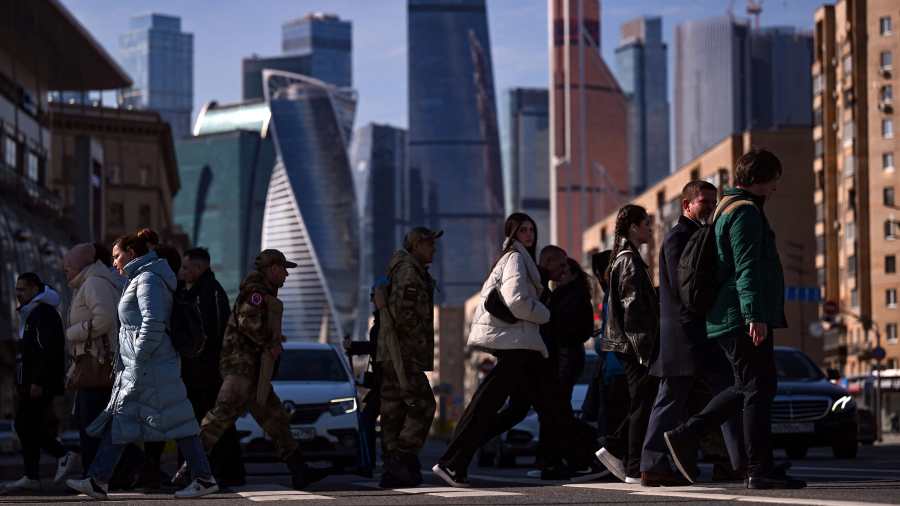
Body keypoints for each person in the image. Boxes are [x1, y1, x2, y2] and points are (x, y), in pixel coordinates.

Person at [663, 149, 806, 489]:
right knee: (757, 387)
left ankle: (754, 462)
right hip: (741, 316)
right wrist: (754, 314)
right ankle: (753, 466)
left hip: (733, 315)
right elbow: (746, 267)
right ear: (758, 181)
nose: (775, 188)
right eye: (773, 181)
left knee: (751, 386)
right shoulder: (744, 213)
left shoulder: (730, 208)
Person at [434, 214, 601, 487]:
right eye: (523, 230)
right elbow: (517, 302)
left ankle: (589, 459)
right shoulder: (515, 258)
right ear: (512, 233)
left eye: (532, 229)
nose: (529, 234)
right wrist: (546, 314)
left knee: (549, 406)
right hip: (515, 347)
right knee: (489, 404)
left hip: (524, 346)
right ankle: (452, 463)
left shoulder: (524, 263)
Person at [65, 233, 218, 500]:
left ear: (132, 253)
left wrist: (138, 358)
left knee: (178, 420)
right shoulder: (139, 278)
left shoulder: (147, 280)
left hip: (151, 366)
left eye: (116, 256)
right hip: (146, 365)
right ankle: (99, 479)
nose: (113, 262)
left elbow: (153, 323)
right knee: (124, 420)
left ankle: (203, 478)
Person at [185, 249, 327, 490]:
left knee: (276, 418)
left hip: (253, 371)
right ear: (272, 269)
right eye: (283, 269)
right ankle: (188, 471)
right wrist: (271, 343)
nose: (285, 275)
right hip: (241, 369)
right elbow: (249, 324)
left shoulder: (263, 292)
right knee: (218, 420)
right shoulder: (255, 294)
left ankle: (299, 470)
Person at [639, 181, 746, 487]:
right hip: (686, 334)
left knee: (725, 392)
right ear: (687, 205)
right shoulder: (678, 237)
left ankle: (733, 462)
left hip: (699, 332)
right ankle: (653, 465)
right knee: (674, 399)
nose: (711, 207)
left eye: (714, 202)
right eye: (704, 202)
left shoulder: (698, 234)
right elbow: (685, 288)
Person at [595, 205, 660, 484]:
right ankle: (632, 466)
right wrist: (644, 352)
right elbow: (633, 311)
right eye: (646, 223)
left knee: (641, 401)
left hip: (626, 345)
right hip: (632, 346)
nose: (650, 228)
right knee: (642, 403)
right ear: (633, 227)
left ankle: (616, 449)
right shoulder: (629, 260)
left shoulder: (627, 258)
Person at [377, 228, 440, 488]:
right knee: (424, 405)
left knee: (393, 410)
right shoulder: (409, 272)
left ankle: (394, 468)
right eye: (429, 244)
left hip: (392, 352)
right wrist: (415, 348)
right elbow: (404, 316)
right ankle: (403, 458)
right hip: (403, 353)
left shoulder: (406, 269)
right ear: (416, 245)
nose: (433, 249)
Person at [177, 247, 245, 486]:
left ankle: (226, 471)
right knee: (207, 421)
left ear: (199, 268)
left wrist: (194, 354)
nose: (182, 272)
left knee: (214, 421)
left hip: (206, 370)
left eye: (186, 267)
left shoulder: (209, 293)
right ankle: (212, 470)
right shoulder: (192, 292)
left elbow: (213, 333)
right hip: (198, 369)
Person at [2, 273, 72, 493]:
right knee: (27, 426)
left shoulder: (43, 313)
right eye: (17, 289)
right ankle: (31, 475)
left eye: (22, 289)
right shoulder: (32, 313)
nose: (18, 293)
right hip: (29, 382)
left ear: (34, 289)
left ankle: (63, 454)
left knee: (25, 424)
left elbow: (46, 350)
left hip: (39, 383)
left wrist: (38, 381)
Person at [63, 243, 124, 481]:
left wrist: (73, 332)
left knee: (91, 426)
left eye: (68, 265)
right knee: (95, 424)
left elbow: (104, 319)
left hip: (98, 365)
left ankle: (96, 476)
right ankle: (99, 475)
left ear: (82, 264)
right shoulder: (90, 283)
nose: (65, 269)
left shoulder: (94, 283)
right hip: (94, 364)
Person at [343, 277, 388, 478]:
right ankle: (371, 463)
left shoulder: (386, 320)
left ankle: (370, 463)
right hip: (381, 381)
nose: (372, 301)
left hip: (386, 382)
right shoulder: (381, 319)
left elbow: (379, 348)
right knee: (372, 421)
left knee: (370, 420)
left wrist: (355, 347)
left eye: (374, 296)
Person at [544, 257, 594, 400]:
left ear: (574, 275)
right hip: (560, 354)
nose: (560, 276)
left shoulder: (578, 296)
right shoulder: (557, 294)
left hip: (568, 354)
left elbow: (586, 329)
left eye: (564, 273)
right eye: (559, 272)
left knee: (560, 401)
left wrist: (564, 336)